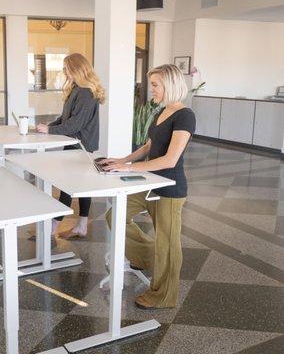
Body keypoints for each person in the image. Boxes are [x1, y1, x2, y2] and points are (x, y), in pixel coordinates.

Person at [100, 64, 196, 310]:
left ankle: (164, 296)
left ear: (170, 84)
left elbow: (170, 159)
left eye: (155, 85)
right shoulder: (160, 112)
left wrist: (130, 169)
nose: (150, 89)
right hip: (150, 183)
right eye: (151, 84)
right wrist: (120, 161)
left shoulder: (184, 115)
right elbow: (147, 147)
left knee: (168, 243)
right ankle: (147, 257)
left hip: (170, 189)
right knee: (115, 216)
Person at [36, 53, 105, 238]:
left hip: (80, 144)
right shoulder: (77, 89)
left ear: (75, 69)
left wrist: (50, 131)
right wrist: (49, 127)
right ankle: (80, 226)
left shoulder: (85, 92)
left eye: (66, 68)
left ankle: (53, 226)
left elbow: (76, 124)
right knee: (81, 184)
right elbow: (66, 118)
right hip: (74, 142)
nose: (64, 71)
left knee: (67, 185)